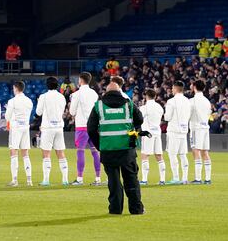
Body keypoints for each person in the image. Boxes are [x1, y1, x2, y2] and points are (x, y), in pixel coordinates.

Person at [87, 80, 145, 215]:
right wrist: (133, 132)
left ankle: (115, 209)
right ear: (119, 92)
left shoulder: (99, 106)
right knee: (131, 180)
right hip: (127, 149)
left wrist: (99, 145)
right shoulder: (128, 104)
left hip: (108, 150)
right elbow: (140, 119)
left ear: (106, 92)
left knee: (113, 181)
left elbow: (90, 129)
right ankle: (136, 209)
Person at [69, 72, 103, 186]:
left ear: (80, 80)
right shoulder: (94, 93)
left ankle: (80, 178)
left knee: (80, 151)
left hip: (82, 126)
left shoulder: (77, 94)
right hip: (93, 126)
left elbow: (72, 111)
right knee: (95, 152)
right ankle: (98, 178)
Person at [36, 77, 69, 186]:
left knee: (46, 153)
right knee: (60, 153)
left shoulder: (43, 96)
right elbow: (63, 110)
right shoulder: (62, 97)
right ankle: (65, 180)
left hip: (48, 128)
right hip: (59, 127)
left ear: (47, 85)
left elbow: (38, 112)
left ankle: (46, 180)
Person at [5, 81, 33, 186]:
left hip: (16, 128)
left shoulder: (12, 101)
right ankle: (29, 180)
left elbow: (7, 117)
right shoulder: (29, 101)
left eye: (13, 88)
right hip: (25, 127)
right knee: (25, 153)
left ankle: (14, 180)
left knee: (13, 152)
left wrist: (9, 109)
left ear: (16, 88)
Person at [164, 80, 191, 185]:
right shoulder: (187, 101)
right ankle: (184, 177)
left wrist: (166, 115)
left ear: (175, 88)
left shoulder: (171, 101)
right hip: (183, 131)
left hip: (173, 131)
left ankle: (176, 177)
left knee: (172, 154)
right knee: (183, 154)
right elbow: (188, 115)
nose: (171, 90)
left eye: (172, 88)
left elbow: (167, 117)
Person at [139, 89, 166, 185]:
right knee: (159, 155)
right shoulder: (159, 107)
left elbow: (139, 118)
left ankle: (144, 180)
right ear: (155, 96)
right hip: (157, 133)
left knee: (145, 155)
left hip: (147, 133)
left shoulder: (144, 108)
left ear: (146, 96)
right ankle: (162, 180)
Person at [189, 80, 212, 184]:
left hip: (196, 127)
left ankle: (198, 178)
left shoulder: (192, 101)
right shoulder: (207, 101)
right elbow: (209, 114)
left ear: (194, 87)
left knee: (196, 151)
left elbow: (187, 114)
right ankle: (208, 179)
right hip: (205, 127)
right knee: (205, 152)